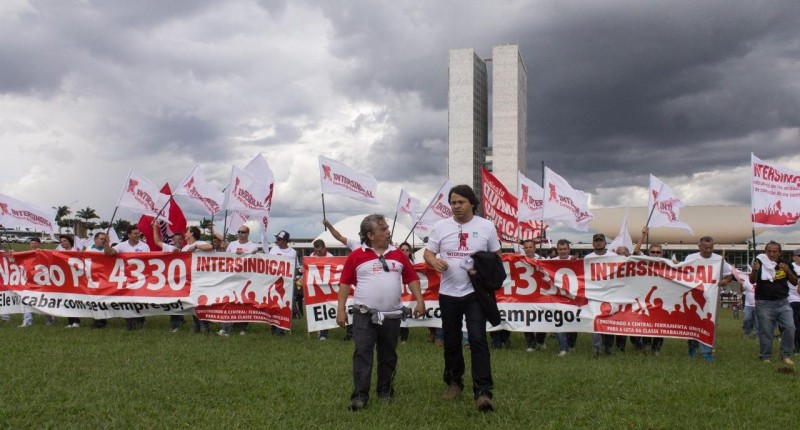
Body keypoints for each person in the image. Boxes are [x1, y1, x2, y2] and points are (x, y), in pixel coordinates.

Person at [424, 184, 501, 412]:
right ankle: (454, 383)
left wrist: (481, 272)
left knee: (477, 339)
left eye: (461, 202)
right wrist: (433, 261)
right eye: (453, 202)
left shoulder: (486, 226)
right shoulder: (440, 226)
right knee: (451, 340)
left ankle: (483, 391)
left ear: (472, 203)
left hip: (475, 294)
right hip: (448, 293)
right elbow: (428, 252)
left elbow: (496, 258)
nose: (456, 206)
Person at [336, 214, 424, 411]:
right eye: (383, 229)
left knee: (388, 355)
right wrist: (340, 309)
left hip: (391, 316)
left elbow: (412, 278)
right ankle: (360, 396)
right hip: (363, 314)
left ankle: (385, 391)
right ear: (370, 235)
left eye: (386, 228)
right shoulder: (356, 255)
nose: (388, 231)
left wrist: (420, 300)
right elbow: (344, 283)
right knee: (362, 352)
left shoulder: (399, 254)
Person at [684, 236, 732, 362]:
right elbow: (683, 273)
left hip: (711, 297)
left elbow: (729, 273)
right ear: (699, 246)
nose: (708, 250)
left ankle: (707, 352)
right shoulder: (691, 258)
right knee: (694, 323)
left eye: (711, 247)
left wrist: (726, 280)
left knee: (708, 323)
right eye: (706, 248)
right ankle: (692, 347)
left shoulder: (719, 259)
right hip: (694, 295)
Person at [749, 241, 797, 365]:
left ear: (780, 253)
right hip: (764, 302)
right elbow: (752, 281)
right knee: (766, 331)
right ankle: (765, 357)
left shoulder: (785, 263)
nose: (771, 254)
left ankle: (786, 355)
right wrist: (754, 270)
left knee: (790, 327)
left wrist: (788, 271)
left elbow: (795, 282)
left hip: (783, 302)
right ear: (765, 251)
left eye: (774, 251)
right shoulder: (759, 262)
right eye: (768, 251)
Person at [104, 226, 151, 330]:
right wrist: (106, 243)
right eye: (135, 233)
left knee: (139, 301)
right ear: (129, 234)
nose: (138, 235)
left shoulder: (145, 246)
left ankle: (140, 323)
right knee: (128, 300)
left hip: (140, 279)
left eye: (138, 233)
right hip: (126, 278)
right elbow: (109, 253)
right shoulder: (121, 245)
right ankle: (130, 324)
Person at [217, 225, 259, 336]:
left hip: (246, 279)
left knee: (244, 303)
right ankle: (225, 328)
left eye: (243, 232)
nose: (240, 234)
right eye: (239, 232)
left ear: (248, 234)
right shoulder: (232, 244)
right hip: (232, 278)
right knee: (228, 302)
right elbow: (224, 258)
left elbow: (256, 259)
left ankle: (243, 328)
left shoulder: (253, 246)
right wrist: (222, 248)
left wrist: (253, 254)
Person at [585, 233, 617, 356]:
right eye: (596, 241)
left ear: (605, 243)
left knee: (609, 322)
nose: (598, 242)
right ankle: (596, 349)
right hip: (594, 295)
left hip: (610, 294)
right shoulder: (588, 258)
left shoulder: (614, 256)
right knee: (596, 321)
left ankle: (608, 348)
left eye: (600, 240)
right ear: (593, 243)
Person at [551, 239, 578, 357]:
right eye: (560, 249)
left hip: (573, 298)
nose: (562, 251)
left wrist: (576, 262)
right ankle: (562, 349)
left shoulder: (576, 260)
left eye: (564, 249)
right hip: (557, 298)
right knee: (559, 322)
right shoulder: (550, 262)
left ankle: (571, 346)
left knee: (573, 323)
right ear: (557, 250)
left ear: (569, 249)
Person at [269, 230, 297, 336]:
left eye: (279, 239)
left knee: (284, 305)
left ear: (285, 241)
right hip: (274, 281)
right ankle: (274, 327)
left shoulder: (292, 252)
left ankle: (281, 328)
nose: (277, 241)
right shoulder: (273, 250)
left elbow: (295, 267)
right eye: (277, 239)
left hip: (287, 283)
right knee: (274, 305)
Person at [521, 239, 544, 352]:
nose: (528, 249)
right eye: (526, 247)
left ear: (535, 248)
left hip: (540, 294)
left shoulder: (542, 260)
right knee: (527, 319)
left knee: (542, 318)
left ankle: (540, 341)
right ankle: (531, 343)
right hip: (525, 295)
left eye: (530, 247)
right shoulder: (519, 260)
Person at [83, 232, 109, 329]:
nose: (103, 241)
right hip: (92, 278)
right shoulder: (89, 249)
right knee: (94, 299)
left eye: (105, 239)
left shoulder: (107, 249)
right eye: (102, 239)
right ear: (95, 239)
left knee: (103, 299)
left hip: (104, 277)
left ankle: (102, 320)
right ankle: (97, 320)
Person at [57, 235, 82, 329]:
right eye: (61, 241)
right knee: (66, 301)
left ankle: (76, 321)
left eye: (65, 241)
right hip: (64, 280)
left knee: (74, 301)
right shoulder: (59, 253)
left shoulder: (76, 253)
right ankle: (70, 321)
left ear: (70, 242)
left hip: (75, 280)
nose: (63, 243)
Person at [311, 239, 334, 340]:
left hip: (326, 287)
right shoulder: (312, 256)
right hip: (315, 286)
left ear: (325, 248)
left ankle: (324, 333)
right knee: (316, 307)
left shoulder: (331, 257)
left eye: (319, 251)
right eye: (316, 251)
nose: (318, 253)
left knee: (325, 308)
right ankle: (318, 329)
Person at [789, 249, 800, 355]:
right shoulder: (791, 267)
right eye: (799, 256)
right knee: (795, 325)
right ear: (794, 257)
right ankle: (795, 346)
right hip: (793, 299)